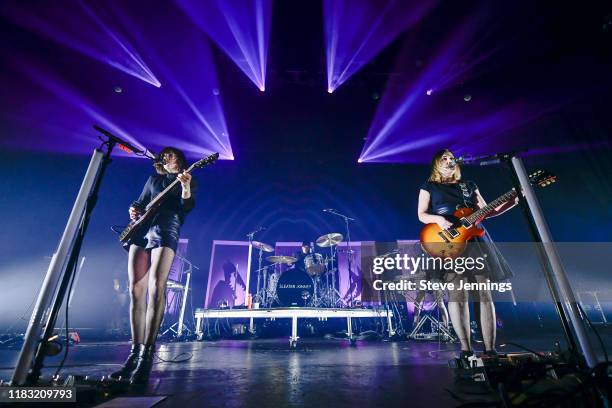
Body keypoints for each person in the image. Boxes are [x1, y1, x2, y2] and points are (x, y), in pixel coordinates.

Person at [417, 149, 516, 362]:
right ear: (436, 163)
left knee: (484, 294)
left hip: (475, 242)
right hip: (448, 242)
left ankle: (490, 350)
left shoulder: (469, 185)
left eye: (451, 157)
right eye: (443, 157)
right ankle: (466, 349)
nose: (448, 160)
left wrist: (513, 200)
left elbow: (488, 210)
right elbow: (421, 214)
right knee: (458, 296)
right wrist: (439, 220)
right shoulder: (429, 186)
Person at [111, 147, 197, 383]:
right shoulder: (153, 179)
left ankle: (147, 355)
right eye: (165, 154)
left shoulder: (186, 177)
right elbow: (139, 202)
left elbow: (186, 207)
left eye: (172, 154)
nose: (168, 156)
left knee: (156, 287)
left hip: (166, 229)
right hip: (141, 231)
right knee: (135, 291)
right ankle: (134, 353)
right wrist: (133, 210)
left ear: (179, 158)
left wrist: (186, 186)